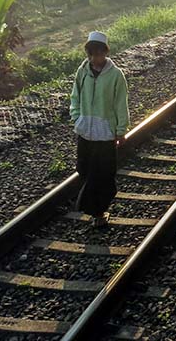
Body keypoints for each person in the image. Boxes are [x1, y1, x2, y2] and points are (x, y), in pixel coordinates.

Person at [69, 31, 130, 227]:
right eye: (92, 54)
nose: (96, 58)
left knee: (103, 173)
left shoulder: (115, 75)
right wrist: (77, 117)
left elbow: (121, 103)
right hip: (85, 131)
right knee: (84, 169)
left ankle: (99, 212)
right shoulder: (82, 72)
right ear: (88, 54)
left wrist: (121, 129)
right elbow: (75, 96)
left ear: (105, 52)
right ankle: (94, 208)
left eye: (99, 53)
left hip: (105, 134)